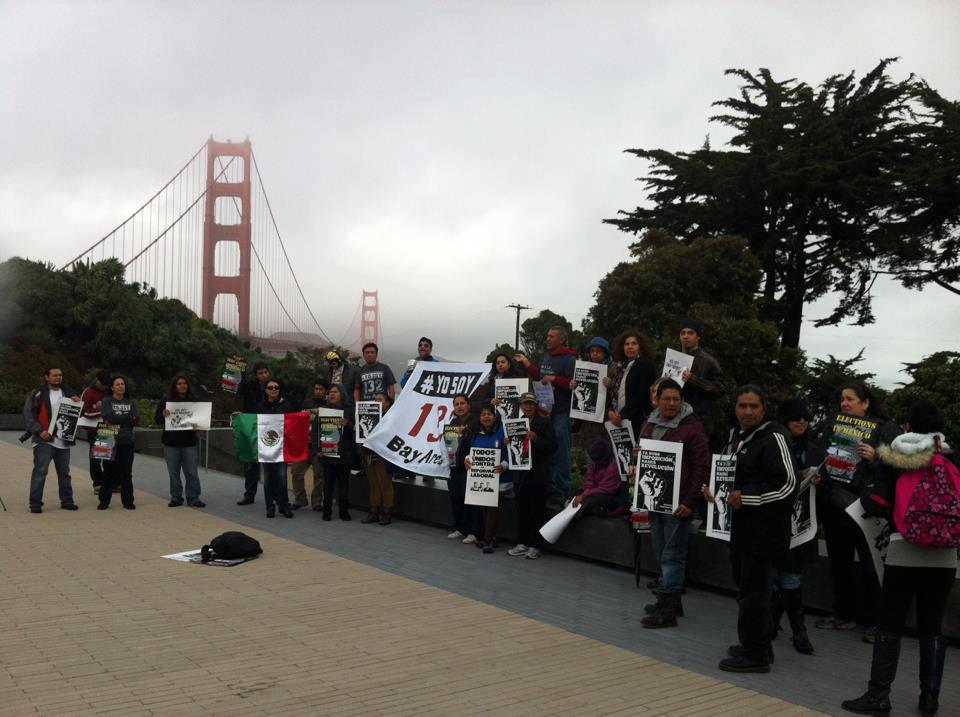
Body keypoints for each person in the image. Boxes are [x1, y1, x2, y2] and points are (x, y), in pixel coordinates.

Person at [841, 400, 957, 717]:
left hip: (904, 551)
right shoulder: (952, 457)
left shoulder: (897, 457)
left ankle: (879, 697)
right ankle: (930, 698)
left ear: (907, 427)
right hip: (945, 557)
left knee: (890, 623)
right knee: (932, 626)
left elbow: (878, 503)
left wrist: (867, 493)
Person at [717, 385, 797, 673]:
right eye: (742, 406)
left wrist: (748, 497)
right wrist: (715, 491)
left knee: (756, 593)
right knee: (746, 590)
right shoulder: (737, 436)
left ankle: (756, 656)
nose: (747, 411)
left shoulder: (774, 437)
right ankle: (756, 643)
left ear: (764, 409)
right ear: (735, 408)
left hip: (765, 532)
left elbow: (788, 486)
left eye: (753, 406)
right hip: (741, 528)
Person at [815, 382, 900, 643]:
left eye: (850, 399)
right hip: (835, 505)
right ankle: (843, 614)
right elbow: (823, 455)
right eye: (842, 399)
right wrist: (819, 474)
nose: (845, 404)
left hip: (867, 508)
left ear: (866, 403)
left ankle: (877, 622)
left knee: (870, 565)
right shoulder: (833, 424)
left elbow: (899, 467)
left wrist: (876, 457)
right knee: (839, 563)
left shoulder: (885, 429)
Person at [636, 378, 709, 628]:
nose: (671, 403)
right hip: (655, 498)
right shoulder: (649, 421)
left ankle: (667, 610)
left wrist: (690, 501)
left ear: (682, 401)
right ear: (657, 399)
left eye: (676, 399)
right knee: (660, 550)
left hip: (679, 502)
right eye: (666, 398)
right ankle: (672, 600)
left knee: (672, 555)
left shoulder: (692, 428)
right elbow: (644, 452)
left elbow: (702, 467)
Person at [769, 398, 823, 655]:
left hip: (802, 523)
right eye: (795, 418)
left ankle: (782, 625)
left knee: (790, 573)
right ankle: (796, 629)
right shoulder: (775, 445)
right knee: (785, 574)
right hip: (777, 520)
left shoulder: (813, 449)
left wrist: (818, 479)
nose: (801, 422)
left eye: (805, 417)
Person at [515, 326, 577, 502]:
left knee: (561, 450)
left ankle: (563, 490)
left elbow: (574, 384)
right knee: (547, 449)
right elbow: (538, 376)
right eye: (547, 336)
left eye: (551, 336)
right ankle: (550, 487)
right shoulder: (546, 357)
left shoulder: (569, 359)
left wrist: (554, 379)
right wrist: (526, 362)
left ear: (562, 340)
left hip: (561, 411)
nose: (547, 339)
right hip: (545, 411)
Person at [506, 392, 557, 560]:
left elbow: (553, 447)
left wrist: (536, 438)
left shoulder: (545, 422)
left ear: (535, 406)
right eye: (525, 403)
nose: (528, 406)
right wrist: (508, 442)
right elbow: (512, 450)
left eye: (531, 404)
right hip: (520, 476)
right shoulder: (514, 424)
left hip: (538, 475)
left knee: (537, 512)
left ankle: (535, 545)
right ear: (520, 405)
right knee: (522, 511)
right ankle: (523, 543)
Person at [23, 367, 81, 513]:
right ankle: (35, 503)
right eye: (55, 375)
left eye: (60, 375)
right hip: (43, 441)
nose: (58, 377)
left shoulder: (69, 393)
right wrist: (39, 431)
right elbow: (28, 414)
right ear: (46, 377)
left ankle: (67, 501)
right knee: (40, 472)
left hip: (63, 441)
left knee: (64, 473)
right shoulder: (37, 394)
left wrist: (78, 403)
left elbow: (79, 414)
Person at [459, 403, 508, 554]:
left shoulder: (503, 431)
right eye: (483, 414)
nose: (486, 417)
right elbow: (471, 452)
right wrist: (467, 459)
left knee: (492, 507)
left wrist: (504, 466)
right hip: (481, 478)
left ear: (495, 416)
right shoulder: (475, 433)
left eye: (489, 414)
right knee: (484, 507)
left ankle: (487, 539)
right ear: (479, 418)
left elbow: (511, 454)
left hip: (500, 478)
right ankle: (491, 537)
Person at [155, 375, 206, 508]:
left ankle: (193, 497)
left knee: (192, 472)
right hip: (171, 443)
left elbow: (200, 421)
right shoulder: (166, 401)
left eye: (184, 383)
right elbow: (157, 420)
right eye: (179, 383)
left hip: (189, 442)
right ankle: (176, 497)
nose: (182, 386)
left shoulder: (194, 401)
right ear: (174, 386)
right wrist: (163, 414)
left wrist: (197, 426)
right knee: (173, 473)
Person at [99, 375, 140, 510]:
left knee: (126, 472)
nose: (121, 386)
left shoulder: (131, 402)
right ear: (112, 387)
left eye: (123, 384)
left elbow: (135, 420)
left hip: (127, 440)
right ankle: (104, 501)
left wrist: (119, 419)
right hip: (107, 436)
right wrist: (126, 418)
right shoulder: (106, 401)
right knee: (108, 471)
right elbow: (109, 417)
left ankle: (128, 501)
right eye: (117, 384)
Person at [677, 319, 724, 436]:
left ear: (698, 337)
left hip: (700, 421)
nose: (686, 336)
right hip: (675, 418)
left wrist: (694, 379)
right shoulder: (674, 359)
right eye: (683, 333)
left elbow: (720, 388)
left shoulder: (708, 361)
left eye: (690, 333)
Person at [604, 328, 657, 429]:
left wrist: (622, 415)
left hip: (638, 421)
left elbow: (642, 395)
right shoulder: (619, 367)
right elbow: (612, 393)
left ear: (640, 347)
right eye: (627, 344)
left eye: (634, 344)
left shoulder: (646, 365)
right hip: (617, 420)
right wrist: (610, 411)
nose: (630, 347)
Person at [445, 393, 481, 542]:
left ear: (468, 405)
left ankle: (473, 532)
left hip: (470, 467)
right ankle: (460, 528)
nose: (459, 406)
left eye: (462, 403)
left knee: (470, 500)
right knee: (456, 498)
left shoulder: (476, 421)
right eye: (456, 404)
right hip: (454, 467)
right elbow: (449, 444)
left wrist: (465, 433)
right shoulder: (452, 422)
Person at [257, 379, 295, 519]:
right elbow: (255, 422)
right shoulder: (261, 406)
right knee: (268, 479)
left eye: (276, 387)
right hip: (266, 448)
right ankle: (270, 507)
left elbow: (293, 423)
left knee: (282, 478)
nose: (273, 389)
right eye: (270, 387)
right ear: (266, 390)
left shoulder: (286, 405)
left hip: (281, 449)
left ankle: (284, 506)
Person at [290, 378, 328, 511]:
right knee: (296, 472)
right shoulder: (306, 403)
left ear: (326, 391)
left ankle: (317, 502)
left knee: (319, 475)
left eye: (321, 389)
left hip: (319, 445)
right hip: (304, 444)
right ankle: (300, 500)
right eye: (316, 389)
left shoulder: (329, 405)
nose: (318, 391)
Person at [236, 361, 271, 506]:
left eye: (265, 372)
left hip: (269, 428)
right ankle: (249, 495)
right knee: (252, 464)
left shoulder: (274, 385)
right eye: (260, 373)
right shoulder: (248, 385)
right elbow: (238, 397)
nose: (264, 375)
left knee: (270, 465)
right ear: (256, 375)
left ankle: (273, 495)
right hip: (252, 427)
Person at [320, 384, 356, 521]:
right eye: (330, 392)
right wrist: (318, 450)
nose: (332, 394)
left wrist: (348, 424)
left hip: (344, 453)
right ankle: (326, 511)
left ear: (342, 393)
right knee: (327, 485)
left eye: (335, 392)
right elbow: (318, 430)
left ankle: (344, 511)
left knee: (344, 485)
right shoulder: (324, 409)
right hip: (328, 452)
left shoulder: (349, 409)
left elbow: (356, 428)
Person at [360, 392, 395, 525]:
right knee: (373, 484)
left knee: (385, 484)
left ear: (387, 403)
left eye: (379, 400)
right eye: (375, 400)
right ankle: (374, 511)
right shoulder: (368, 416)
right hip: (369, 454)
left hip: (382, 456)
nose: (376, 402)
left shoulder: (391, 418)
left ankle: (386, 512)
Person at [80, 369, 111, 494]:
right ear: (97, 381)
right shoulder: (88, 392)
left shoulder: (109, 390)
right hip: (94, 429)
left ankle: (109, 482)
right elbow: (84, 412)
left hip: (108, 427)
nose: (104, 386)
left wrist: (99, 407)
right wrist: (102, 409)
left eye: (106, 384)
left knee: (107, 457)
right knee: (96, 458)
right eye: (103, 384)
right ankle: (97, 483)